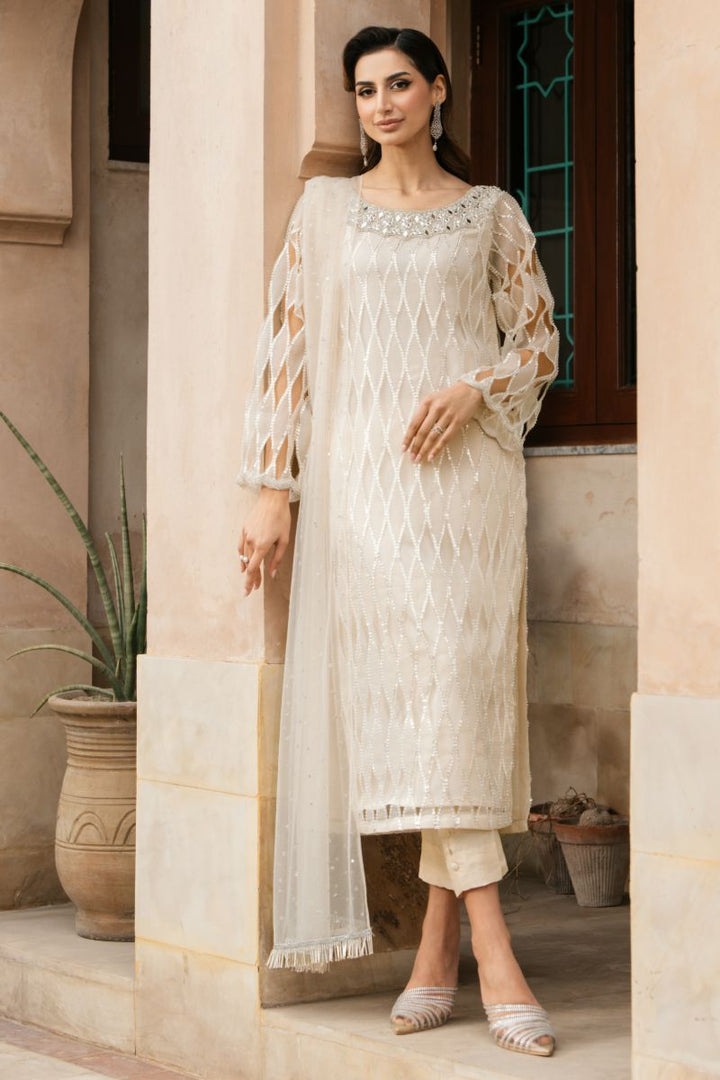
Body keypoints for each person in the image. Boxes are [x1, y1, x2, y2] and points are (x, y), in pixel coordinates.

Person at [236, 25, 559, 1059]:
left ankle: (435, 953)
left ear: (439, 91)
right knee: (427, 705)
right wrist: (272, 488)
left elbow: (538, 342)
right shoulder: (326, 211)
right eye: (365, 90)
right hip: (367, 499)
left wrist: (474, 387)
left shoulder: (492, 214)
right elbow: (286, 349)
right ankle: (496, 956)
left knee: (455, 698)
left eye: (400, 84)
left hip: (470, 497)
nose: (380, 104)